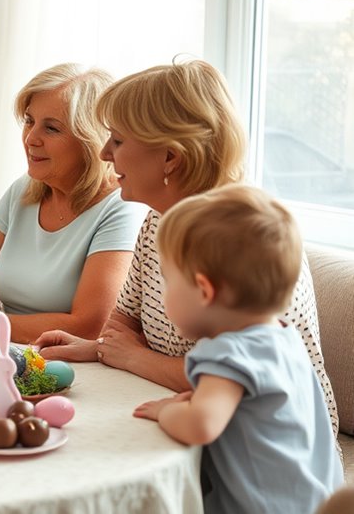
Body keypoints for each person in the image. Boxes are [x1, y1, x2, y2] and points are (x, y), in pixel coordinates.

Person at [35, 59, 339, 437]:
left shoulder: (243, 233)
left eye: (117, 140)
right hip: (200, 418)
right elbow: (124, 320)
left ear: (170, 157)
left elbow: (229, 374)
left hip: (273, 443)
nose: (104, 154)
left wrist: (134, 357)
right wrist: (98, 347)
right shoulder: (157, 221)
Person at [133, 184, 341, 514]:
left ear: (204, 291)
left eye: (168, 280)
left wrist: (167, 412)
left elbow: (201, 425)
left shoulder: (226, 353)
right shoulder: (285, 339)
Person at [0, 63, 147, 343]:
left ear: (90, 140)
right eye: (29, 121)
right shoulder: (24, 190)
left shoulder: (121, 206)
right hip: (4, 353)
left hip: (73, 366)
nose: (31, 138)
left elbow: (90, 325)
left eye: (52, 129)